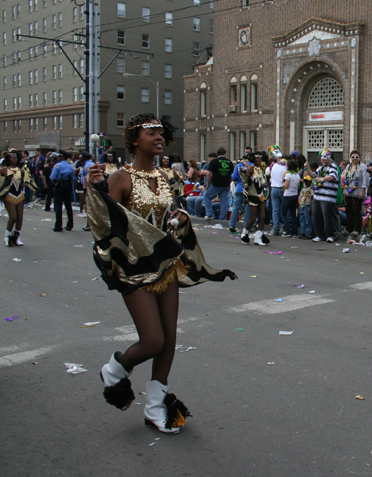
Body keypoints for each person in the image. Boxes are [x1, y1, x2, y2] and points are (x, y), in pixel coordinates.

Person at [86, 113, 236, 434]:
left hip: (166, 266)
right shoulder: (120, 178)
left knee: (169, 338)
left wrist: (179, 219)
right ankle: (115, 370)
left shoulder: (167, 175)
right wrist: (96, 189)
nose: (158, 137)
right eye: (150, 132)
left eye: (161, 132)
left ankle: (155, 406)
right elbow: (103, 224)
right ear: (133, 139)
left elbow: (167, 213)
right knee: (152, 340)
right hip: (133, 268)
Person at [0, 150, 32, 246]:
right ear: (8, 159)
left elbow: (27, 180)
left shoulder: (21, 170)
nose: (14, 159)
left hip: (20, 195)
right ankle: (7, 237)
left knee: (20, 217)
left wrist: (27, 182)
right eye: (12, 158)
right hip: (8, 195)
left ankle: (16, 237)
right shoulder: (4, 170)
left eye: (16, 158)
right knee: (13, 217)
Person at [241, 152, 269, 246]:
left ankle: (258, 237)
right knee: (253, 218)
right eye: (257, 159)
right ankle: (244, 233)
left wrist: (264, 184)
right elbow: (246, 181)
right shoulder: (250, 169)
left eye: (260, 159)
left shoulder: (260, 170)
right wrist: (246, 175)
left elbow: (262, 180)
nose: (259, 161)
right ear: (253, 160)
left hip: (260, 195)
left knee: (262, 216)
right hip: (253, 195)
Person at [312, 148, 340, 242]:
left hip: (328, 197)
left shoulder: (333, 167)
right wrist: (307, 168)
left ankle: (330, 235)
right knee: (316, 216)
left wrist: (322, 179)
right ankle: (320, 235)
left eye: (325, 157)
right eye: (322, 157)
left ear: (330, 158)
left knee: (327, 217)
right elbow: (314, 176)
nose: (323, 159)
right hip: (318, 196)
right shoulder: (321, 168)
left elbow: (333, 176)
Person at [202, 147, 233, 223]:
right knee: (224, 201)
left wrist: (208, 183)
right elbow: (231, 174)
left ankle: (210, 214)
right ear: (225, 153)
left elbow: (209, 173)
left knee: (207, 197)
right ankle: (223, 217)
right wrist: (229, 183)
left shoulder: (214, 161)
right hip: (226, 184)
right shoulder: (229, 162)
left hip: (216, 184)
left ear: (217, 154)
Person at [343, 150, 369, 237]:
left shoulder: (362, 167)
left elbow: (365, 179)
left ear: (359, 158)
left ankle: (357, 228)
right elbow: (345, 178)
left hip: (357, 192)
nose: (355, 159)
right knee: (349, 211)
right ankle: (348, 228)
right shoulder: (348, 166)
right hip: (348, 192)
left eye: (357, 157)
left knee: (356, 211)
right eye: (353, 157)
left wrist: (363, 190)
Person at [50, 150, 75, 232]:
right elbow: (72, 177)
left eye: (59, 156)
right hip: (68, 185)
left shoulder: (57, 165)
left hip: (59, 185)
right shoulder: (70, 166)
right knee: (68, 205)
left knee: (58, 206)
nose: (58, 157)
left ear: (62, 157)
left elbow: (52, 177)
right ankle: (70, 224)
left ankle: (58, 225)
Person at [267, 145, 288, 235]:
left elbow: (270, 175)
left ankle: (276, 228)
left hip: (273, 188)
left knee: (275, 210)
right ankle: (285, 226)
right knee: (284, 210)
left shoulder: (274, 166)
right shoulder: (285, 166)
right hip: (281, 189)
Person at [281, 159, 302, 237]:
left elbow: (286, 186)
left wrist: (282, 182)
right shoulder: (297, 175)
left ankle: (288, 230)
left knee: (283, 214)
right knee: (293, 214)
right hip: (295, 195)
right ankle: (294, 231)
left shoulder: (288, 175)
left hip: (287, 195)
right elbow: (299, 186)